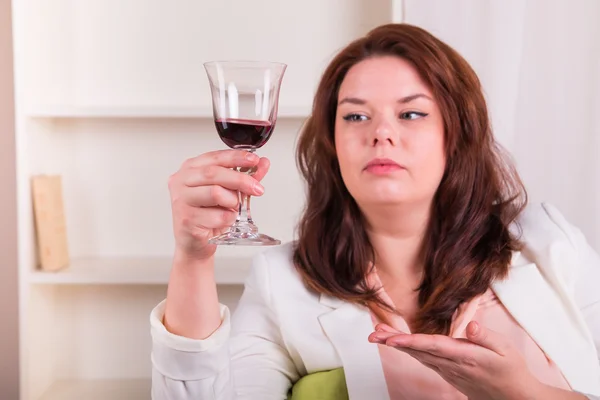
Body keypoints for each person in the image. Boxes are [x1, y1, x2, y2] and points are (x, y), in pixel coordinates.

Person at [149, 23, 600, 399]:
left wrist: (526, 394)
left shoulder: (552, 245)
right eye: (356, 116)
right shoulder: (282, 280)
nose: (382, 134)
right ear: (332, 143)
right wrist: (192, 257)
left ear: (456, 134)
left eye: (411, 114)